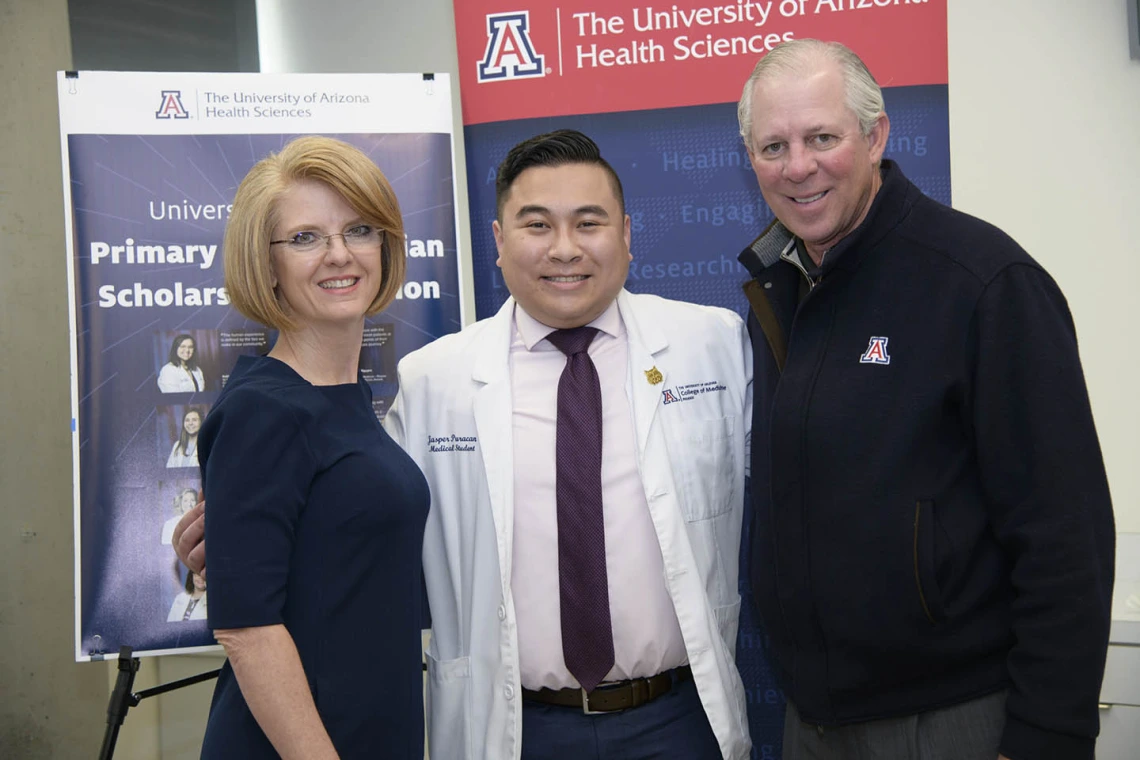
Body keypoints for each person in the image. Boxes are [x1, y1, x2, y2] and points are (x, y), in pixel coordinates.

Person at [176, 130, 753, 759]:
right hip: (514, 726)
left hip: (675, 721)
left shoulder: (713, 345)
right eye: (536, 225)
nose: (564, 248)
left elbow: (362, 523)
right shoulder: (432, 380)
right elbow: (312, 564)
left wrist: (249, 547)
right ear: (499, 243)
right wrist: (238, 549)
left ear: (627, 234)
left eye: (588, 222)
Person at [734, 39, 1115, 760]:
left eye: (822, 137)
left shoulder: (982, 282)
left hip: (953, 720)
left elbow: (1065, 533)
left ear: (876, 135)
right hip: (812, 721)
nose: (797, 167)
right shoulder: (777, 291)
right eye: (772, 145)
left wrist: (1047, 734)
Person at [195, 135, 429, 759]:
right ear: (264, 262)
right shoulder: (262, 409)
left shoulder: (347, 398)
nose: (338, 255)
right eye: (304, 238)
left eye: (359, 229)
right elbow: (247, 631)